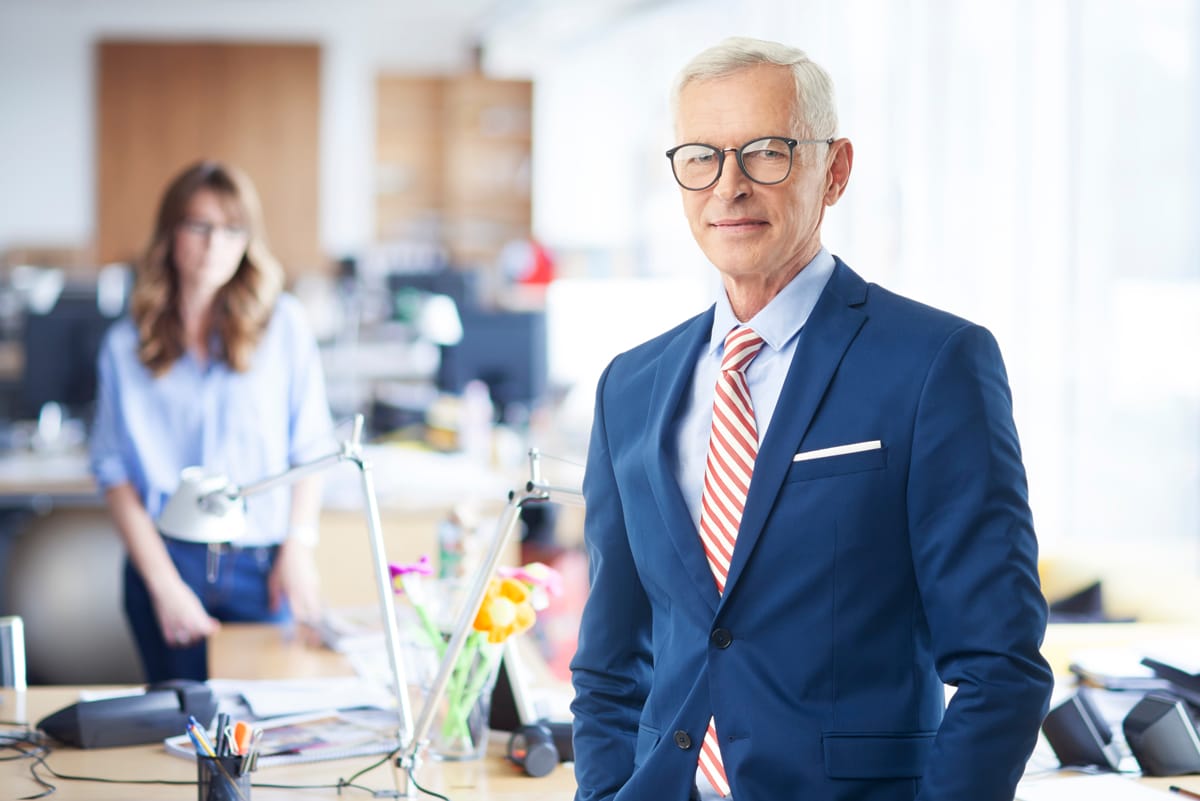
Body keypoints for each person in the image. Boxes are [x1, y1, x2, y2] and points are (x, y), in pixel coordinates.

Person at [569, 37, 1053, 801]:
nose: (728, 186)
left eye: (766, 152)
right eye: (701, 156)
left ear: (835, 170)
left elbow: (1003, 668)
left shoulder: (934, 364)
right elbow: (608, 662)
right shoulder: (628, 386)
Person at [89, 160, 333, 683]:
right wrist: (164, 584)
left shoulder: (283, 325)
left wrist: (299, 545)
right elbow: (113, 474)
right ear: (171, 233)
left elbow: (311, 448)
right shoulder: (124, 346)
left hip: (262, 566)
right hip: (167, 563)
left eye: (231, 228)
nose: (214, 243)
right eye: (199, 225)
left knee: (264, 736)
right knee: (177, 736)